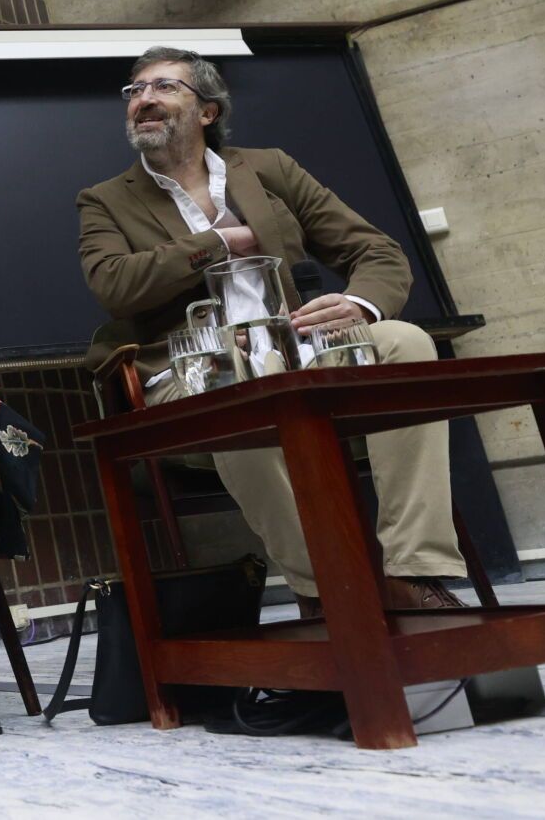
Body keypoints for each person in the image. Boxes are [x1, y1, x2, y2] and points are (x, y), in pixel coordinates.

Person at [76, 46, 467, 614]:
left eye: (164, 87)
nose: (144, 99)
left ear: (207, 110)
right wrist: (219, 241)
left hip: (298, 351)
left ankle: (413, 572)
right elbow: (114, 285)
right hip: (193, 373)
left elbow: (376, 251)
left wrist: (358, 305)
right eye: (135, 91)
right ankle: (327, 590)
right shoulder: (106, 200)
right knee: (234, 385)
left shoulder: (269, 169)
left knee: (405, 342)